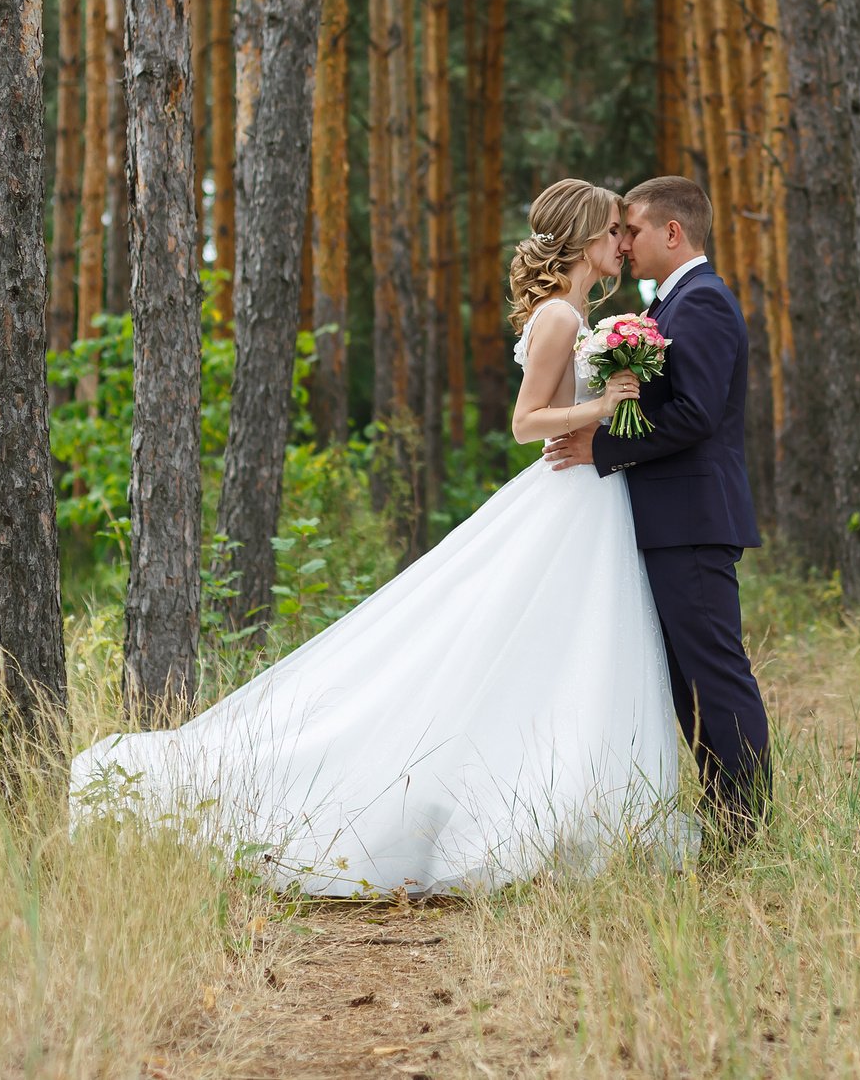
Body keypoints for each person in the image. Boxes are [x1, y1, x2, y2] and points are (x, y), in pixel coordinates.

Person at [69, 179, 689, 895]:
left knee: (576, 650)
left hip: (594, 498)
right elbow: (526, 423)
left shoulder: (582, 314)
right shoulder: (557, 317)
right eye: (614, 229)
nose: (623, 242)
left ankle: (583, 807)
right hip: (570, 495)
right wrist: (604, 405)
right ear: (584, 236)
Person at [544, 176, 771, 849]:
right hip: (671, 518)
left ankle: (743, 827)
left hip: (694, 518)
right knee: (687, 681)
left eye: (633, 229)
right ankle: (725, 818)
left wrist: (601, 444)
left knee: (714, 675)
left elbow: (697, 414)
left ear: (673, 232)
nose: (625, 243)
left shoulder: (701, 303)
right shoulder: (673, 306)